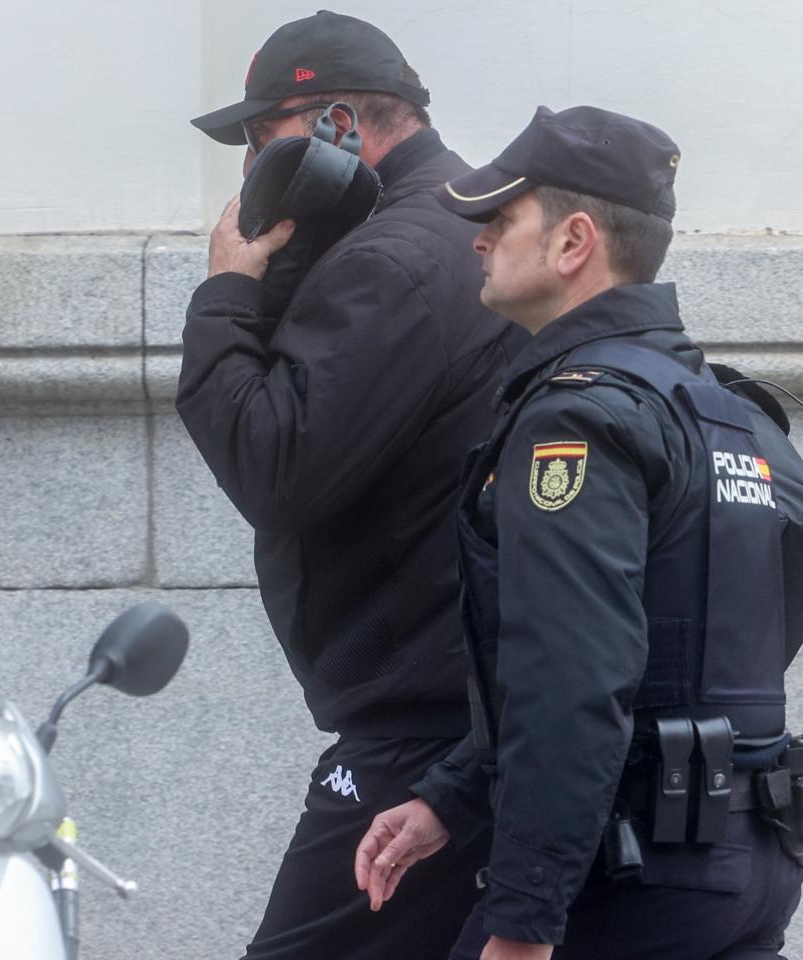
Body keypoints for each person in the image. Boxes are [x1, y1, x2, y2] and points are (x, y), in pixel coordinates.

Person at [349, 105, 803, 960]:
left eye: (501, 219)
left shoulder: (578, 420)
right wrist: (453, 796)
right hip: (748, 858)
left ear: (574, 241)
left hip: (632, 878)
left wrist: (524, 920)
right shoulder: (714, 403)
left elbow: (572, 677)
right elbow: (725, 620)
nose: (479, 240)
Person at [177, 12, 520, 960]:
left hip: (421, 731)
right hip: (469, 711)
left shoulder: (388, 260)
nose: (251, 166)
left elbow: (275, 468)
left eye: (262, 136)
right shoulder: (462, 229)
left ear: (338, 124)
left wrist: (229, 290)